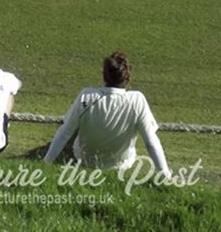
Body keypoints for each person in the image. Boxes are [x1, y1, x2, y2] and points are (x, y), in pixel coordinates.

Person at [43, 52, 171, 178]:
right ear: (128, 77)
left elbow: (65, 132)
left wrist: (46, 163)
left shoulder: (86, 96)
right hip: (121, 163)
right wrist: (164, 173)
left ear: (104, 76)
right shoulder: (137, 100)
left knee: (75, 128)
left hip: (85, 159)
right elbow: (151, 141)